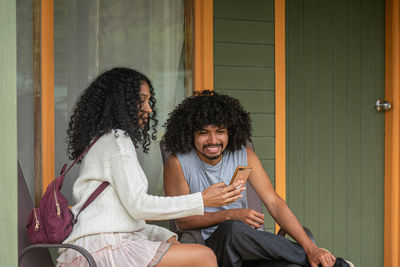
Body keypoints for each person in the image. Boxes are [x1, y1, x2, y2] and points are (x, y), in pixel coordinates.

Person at [56, 68, 245, 267]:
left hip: (94, 249)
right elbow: (138, 205)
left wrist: (163, 234)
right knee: (204, 257)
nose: (149, 109)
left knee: (184, 250)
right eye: (141, 100)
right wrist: (202, 199)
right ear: (121, 102)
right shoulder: (117, 140)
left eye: (149, 101)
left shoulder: (103, 140)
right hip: (104, 250)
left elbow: (122, 215)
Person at [163, 91, 352, 267]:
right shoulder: (178, 163)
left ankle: (312, 256)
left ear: (230, 132)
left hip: (251, 250)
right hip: (212, 251)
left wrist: (312, 248)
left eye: (220, 131)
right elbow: (184, 221)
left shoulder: (244, 155)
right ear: (190, 133)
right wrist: (230, 215)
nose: (213, 140)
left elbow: (274, 203)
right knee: (232, 229)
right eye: (203, 133)